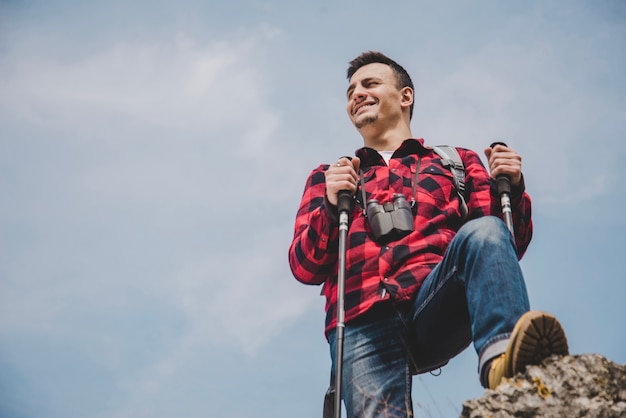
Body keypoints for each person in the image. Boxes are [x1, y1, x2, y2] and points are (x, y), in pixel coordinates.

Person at [288, 51, 568, 418]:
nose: (356, 93)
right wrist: (328, 204)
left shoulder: (455, 163)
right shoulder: (330, 177)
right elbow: (304, 266)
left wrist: (512, 189)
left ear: (406, 96)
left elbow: (502, 243)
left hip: (434, 299)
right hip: (360, 317)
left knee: (484, 231)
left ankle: (505, 362)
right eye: (351, 90)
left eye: (370, 84)